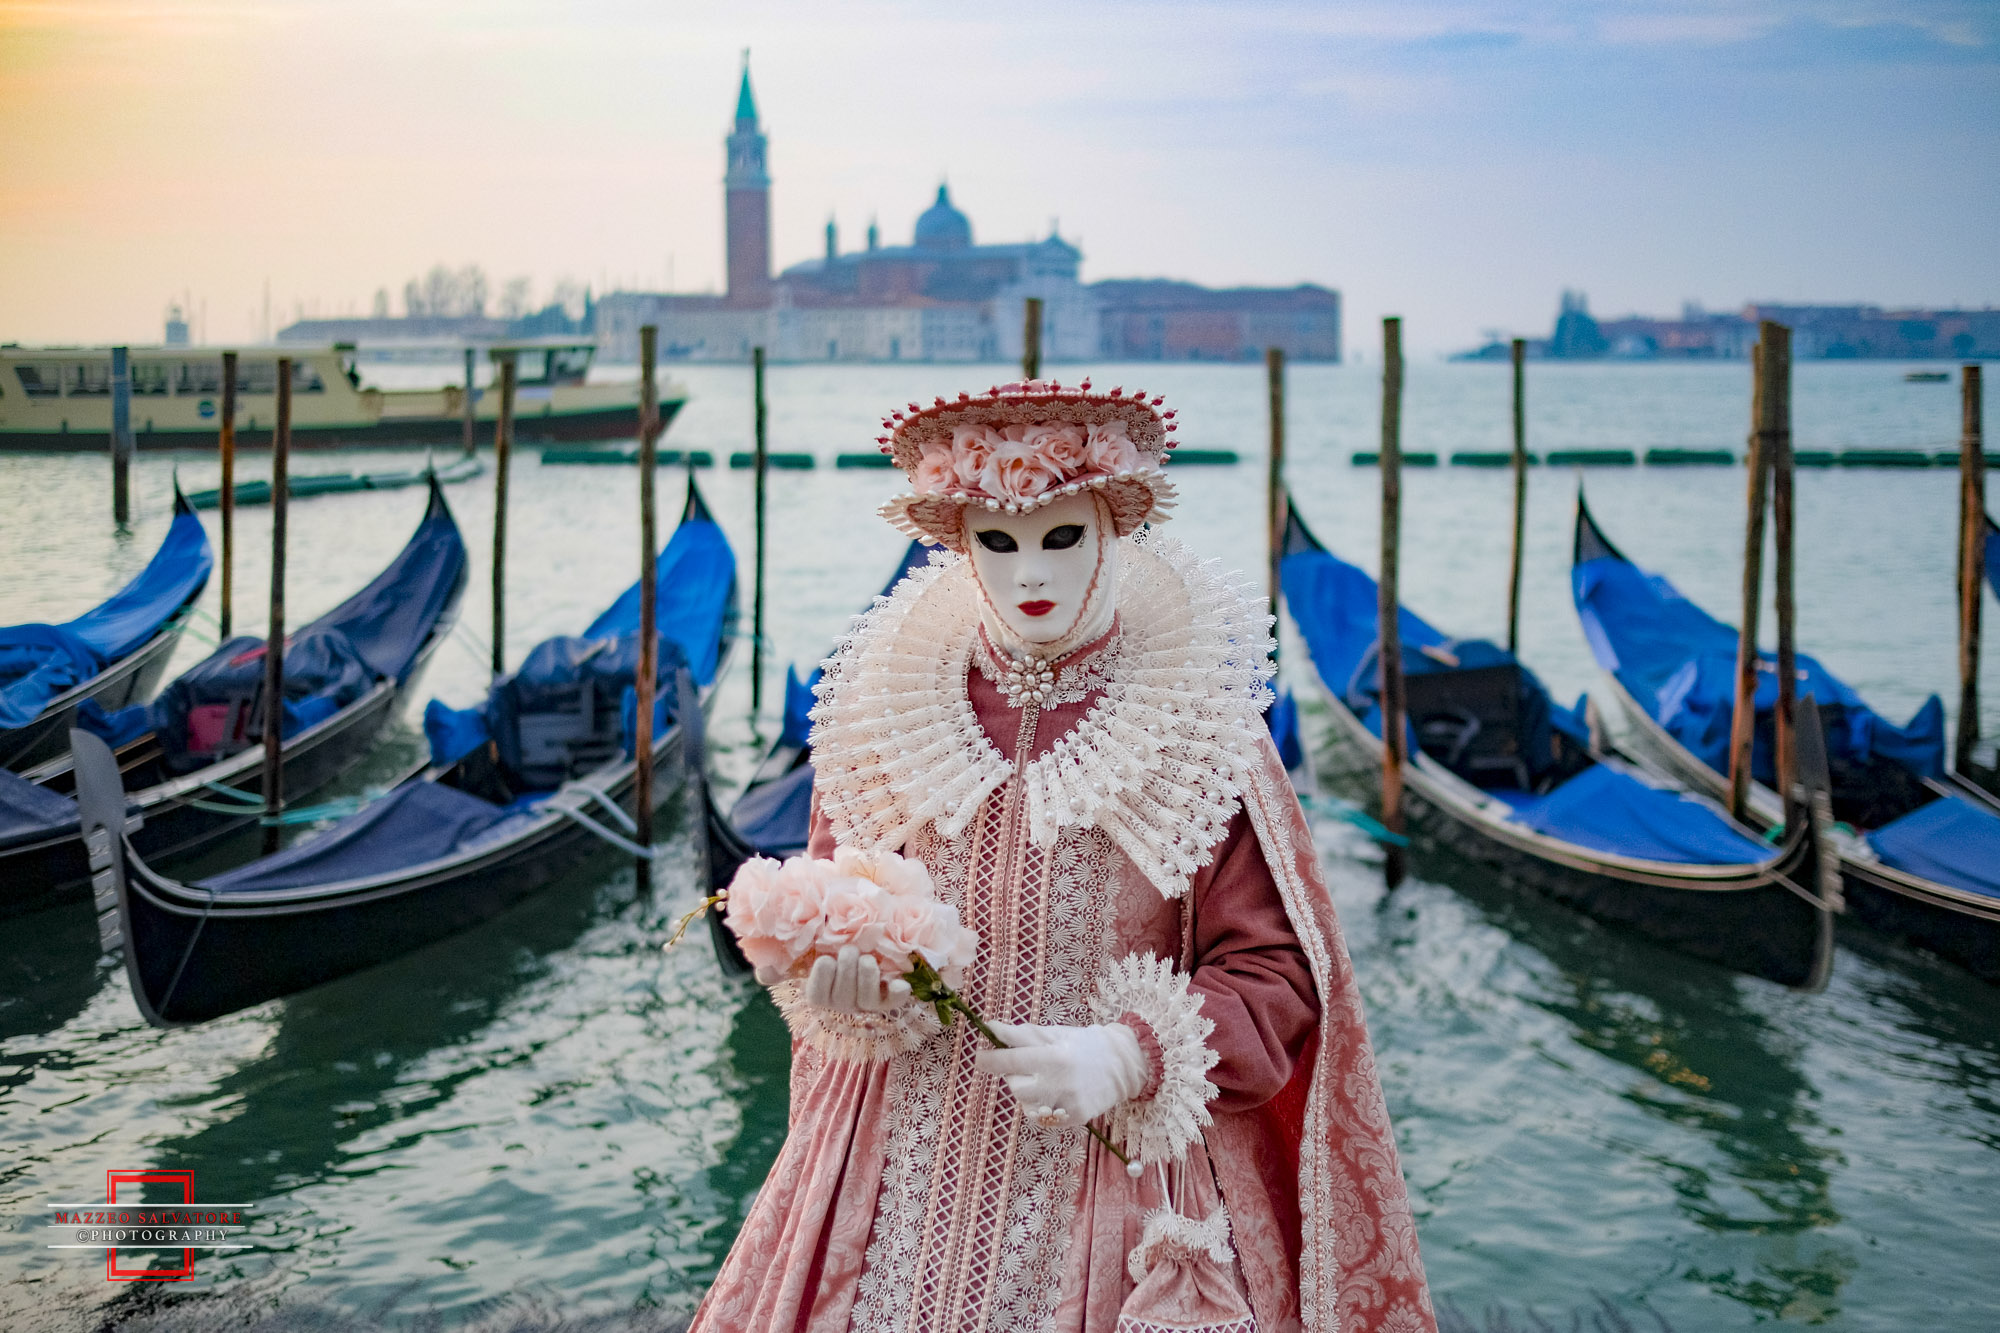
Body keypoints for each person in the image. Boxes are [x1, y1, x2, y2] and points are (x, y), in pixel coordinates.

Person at [693, 380, 1434, 1333]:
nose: (1029, 572)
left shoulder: (1200, 726)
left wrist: (1133, 1051)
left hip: (1122, 1183)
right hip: (895, 1177)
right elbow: (838, 899)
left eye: (1062, 536)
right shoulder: (879, 715)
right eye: (998, 542)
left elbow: (1284, 973)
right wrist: (842, 986)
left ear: (1113, 527)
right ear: (958, 541)